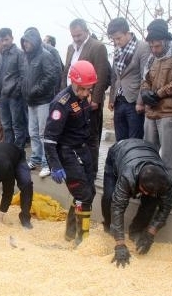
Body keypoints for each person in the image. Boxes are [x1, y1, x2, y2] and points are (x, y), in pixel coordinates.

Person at [44, 60, 97, 247]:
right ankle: (82, 240)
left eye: (88, 89)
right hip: (66, 152)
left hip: (82, 149)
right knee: (82, 194)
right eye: (81, 89)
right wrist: (55, 165)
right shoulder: (61, 103)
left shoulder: (84, 98)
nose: (85, 93)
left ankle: (70, 232)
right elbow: (49, 139)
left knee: (90, 191)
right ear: (73, 81)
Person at [101, 138, 172, 268]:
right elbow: (118, 207)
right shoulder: (127, 176)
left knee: (151, 203)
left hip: (146, 151)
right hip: (118, 152)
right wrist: (120, 244)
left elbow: (165, 207)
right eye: (145, 191)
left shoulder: (167, 182)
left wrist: (151, 233)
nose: (146, 194)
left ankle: (136, 230)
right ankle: (109, 226)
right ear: (139, 183)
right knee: (109, 197)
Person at [62, 18, 111, 178]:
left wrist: (95, 100)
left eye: (79, 35)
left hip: (89, 99)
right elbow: (67, 71)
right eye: (73, 36)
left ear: (86, 31)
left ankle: (92, 169)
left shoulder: (97, 47)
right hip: (72, 98)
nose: (76, 38)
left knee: (90, 136)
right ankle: (78, 165)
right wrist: (63, 93)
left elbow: (102, 74)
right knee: (74, 133)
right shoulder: (71, 48)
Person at [140, 19, 172, 178]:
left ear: (166, 42)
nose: (154, 49)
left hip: (170, 112)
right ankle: (149, 186)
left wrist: (158, 94)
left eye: (157, 46)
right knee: (148, 153)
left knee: (168, 155)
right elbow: (145, 79)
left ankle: (168, 191)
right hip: (150, 112)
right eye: (151, 46)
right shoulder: (151, 59)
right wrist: (145, 92)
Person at [21, 27, 59, 178]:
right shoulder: (27, 57)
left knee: (44, 133)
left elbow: (51, 77)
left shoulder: (45, 56)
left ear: (35, 41)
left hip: (43, 100)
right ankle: (35, 158)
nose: (25, 44)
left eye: (28, 41)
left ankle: (46, 163)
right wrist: (24, 89)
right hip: (30, 101)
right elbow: (24, 76)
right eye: (24, 42)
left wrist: (35, 90)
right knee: (33, 133)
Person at [106, 17, 150, 141]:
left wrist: (140, 102)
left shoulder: (143, 47)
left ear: (127, 32)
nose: (116, 41)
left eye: (118, 38)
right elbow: (115, 77)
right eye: (113, 39)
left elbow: (145, 77)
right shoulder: (117, 50)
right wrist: (111, 99)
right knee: (120, 141)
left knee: (134, 141)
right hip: (119, 101)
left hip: (134, 102)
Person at [0, 27, 27, 150]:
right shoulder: (2, 53)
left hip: (14, 96)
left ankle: (18, 150)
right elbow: (0, 74)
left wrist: (16, 91)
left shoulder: (19, 53)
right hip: (2, 95)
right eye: (2, 40)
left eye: (6, 39)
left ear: (12, 38)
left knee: (17, 125)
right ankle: (9, 150)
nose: (4, 43)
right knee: (5, 125)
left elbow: (23, 75)